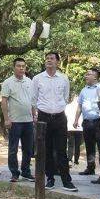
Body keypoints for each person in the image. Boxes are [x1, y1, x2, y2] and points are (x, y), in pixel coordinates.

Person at [32, 51, 77, 191]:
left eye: (52, 58)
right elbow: (33, 99)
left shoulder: (63, 79)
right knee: (46, 149)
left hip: (59, 117)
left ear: (57, 61)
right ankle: (50, 178)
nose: (49, 60)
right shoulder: (37, 78)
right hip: (43, 117)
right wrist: (35, 116)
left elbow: (65, 97)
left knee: (61, 149)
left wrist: (57, 109)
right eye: (47, 58)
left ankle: (66, 180)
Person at [1, 59, 35, 182]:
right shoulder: (7, 82)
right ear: (14, 67)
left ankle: (26, 172)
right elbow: (4, 101)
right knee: (13, 148)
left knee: (28, 148)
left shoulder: (30, 82)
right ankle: (14, 173)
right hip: (14, 121)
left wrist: (34, 115)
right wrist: (6, 119)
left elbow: (32, 101)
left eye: (23, 66)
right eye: (19, 66)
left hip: (28, 121)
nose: (21, 68)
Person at [74, 68, 100, 176]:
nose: (86, 76)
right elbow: (80, 106)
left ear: (95, 77)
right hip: (87, 122)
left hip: (99, 121)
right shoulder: (83, 90)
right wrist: (76, 119)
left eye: (88, 74)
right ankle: (90, 168)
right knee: (89, 146)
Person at [65, 95, 83, 166]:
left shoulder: (67, 106)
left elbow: (65, 116)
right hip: (79, 128)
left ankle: (69, 159)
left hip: (70, 127)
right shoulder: (80, 106)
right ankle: (76, 160)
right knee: (77, 145)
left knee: (70, 144)